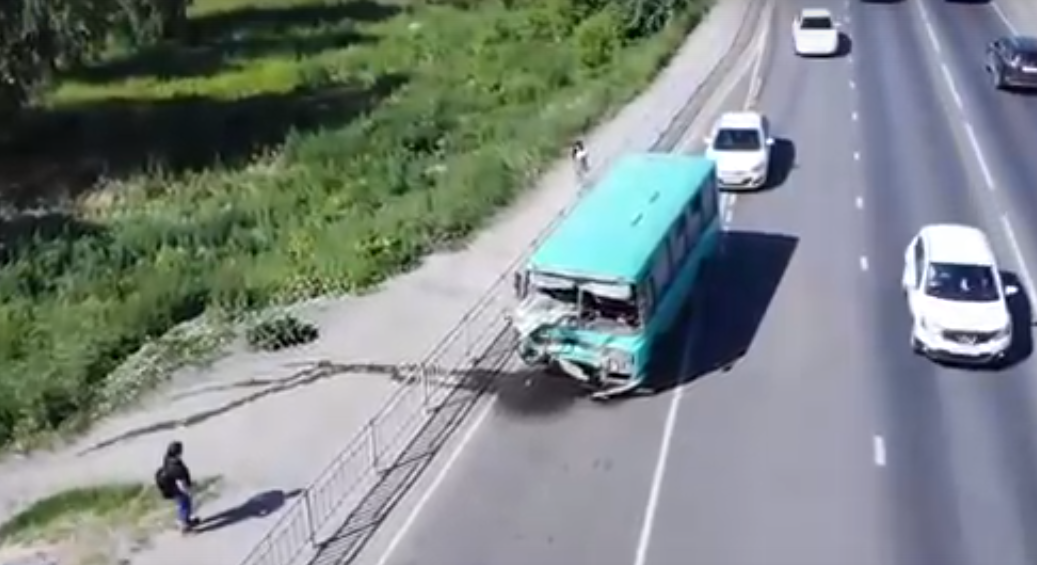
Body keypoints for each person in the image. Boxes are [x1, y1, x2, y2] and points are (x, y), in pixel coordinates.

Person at [155, 440, 199, 533]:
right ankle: (184, 525)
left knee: (182, 505)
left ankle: (185, 520)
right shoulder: (177, 468)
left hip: (171, 487)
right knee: (185, 505)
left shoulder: (167, 458)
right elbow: (182, 484)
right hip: (177, 489)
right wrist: (188, 491)